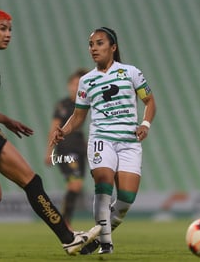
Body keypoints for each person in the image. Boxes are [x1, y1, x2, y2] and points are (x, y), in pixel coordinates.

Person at [0, 8, 101, 258]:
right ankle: (69, 239)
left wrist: (7, 120)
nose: (8, 34)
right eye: (2, 28)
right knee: (31, 181)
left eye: (10, 29)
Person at [50, 27, 156, 255]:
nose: (94, 49)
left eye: (99, 43)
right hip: (101, 139)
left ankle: (98, 235)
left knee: (126, 199)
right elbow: (78, 116)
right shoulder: (87, 81)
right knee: (103, 180)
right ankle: (106, 244)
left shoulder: (131, 72)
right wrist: (64, 130)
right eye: (91, 45)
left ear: (113, 47)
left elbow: (150, 102)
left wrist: (145, 125)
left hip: (129, 141)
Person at [44, 68, 88, 228]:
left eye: (79, 84)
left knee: (75, 186)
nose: (75, 87)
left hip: (79, 149)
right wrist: (49, 152)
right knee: (75, 184)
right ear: (69, 85)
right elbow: (54, 128)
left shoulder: (85, 103)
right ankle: (65, 222)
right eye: (73, 83)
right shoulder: (63, 105)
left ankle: (64, 220)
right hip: (65, 149)